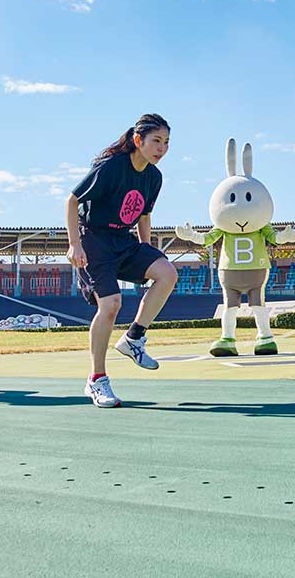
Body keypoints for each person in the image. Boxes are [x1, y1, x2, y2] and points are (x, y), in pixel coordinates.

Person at [65, 114, 178, 408]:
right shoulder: (111, 167)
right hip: (94, 240)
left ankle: (134, 338)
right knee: (111, 305)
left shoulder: (154, 177)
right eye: (156, 141)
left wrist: (147, 251)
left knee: (167, 272)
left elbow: (143, 214)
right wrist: (74, 245)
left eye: (166, 143)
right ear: (138, 140)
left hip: (124, 241)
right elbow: (72, 200)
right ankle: (97, 379)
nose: (161, 148)